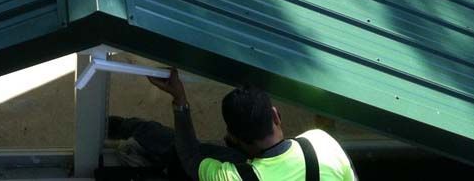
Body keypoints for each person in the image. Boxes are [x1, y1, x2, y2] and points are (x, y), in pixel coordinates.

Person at [116, 68, 357, 181]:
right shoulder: (322, 144)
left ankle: (129, 129)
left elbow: (191, 158)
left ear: (234, 137)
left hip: (235, 160)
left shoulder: (236, 177)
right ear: (276, 115)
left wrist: (180, 99)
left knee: (197, 155)